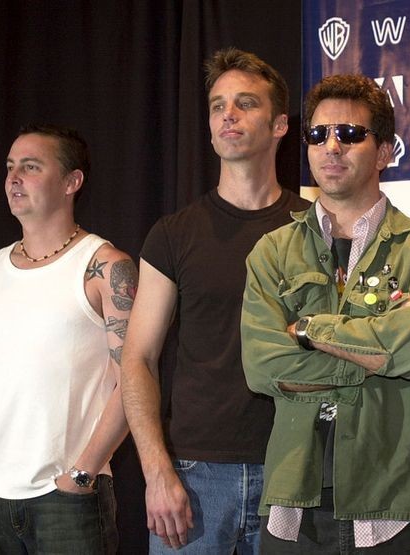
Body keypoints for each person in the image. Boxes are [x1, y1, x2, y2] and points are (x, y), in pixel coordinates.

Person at [240, 73, 410, 553]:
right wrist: (376, 349)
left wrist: (306, 330)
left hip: (397, 501)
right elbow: (262, 367)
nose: (332, 147)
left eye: (351, 134)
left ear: (384, 151)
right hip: (292, 507)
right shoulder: (271, 251)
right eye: (318, 136)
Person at [121, 48, 308, 554]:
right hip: (194, 480)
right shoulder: (173, 235)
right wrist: (157, 472)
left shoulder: (316, 229)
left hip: (295, 473)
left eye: (246, 103)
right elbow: (136, 358)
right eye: (217, 104)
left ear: (280, 125)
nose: (228, 114)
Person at [0, 123, 134, 553]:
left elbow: (133, 380)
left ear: (72, 182)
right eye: (10, 167)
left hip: (66, 501)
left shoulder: (105, 267)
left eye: (31, 167)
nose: (14, 178)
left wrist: (83, 473)